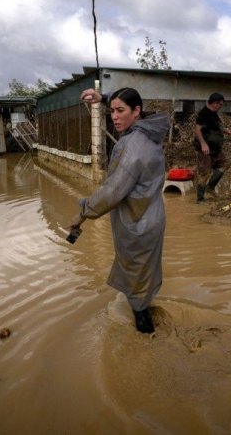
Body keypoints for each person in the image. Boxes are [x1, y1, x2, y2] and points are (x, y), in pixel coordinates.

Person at [69, 87, 170, 334]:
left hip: (138, 225)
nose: (114, 116)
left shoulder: (131, 146)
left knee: (136, 291)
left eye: (120, 110)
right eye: (111, 110)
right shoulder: (150, 133)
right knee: (142, 279)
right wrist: (102, 98)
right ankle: (146, 321)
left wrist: (82, 213)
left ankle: (145, 346)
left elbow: (111, 193)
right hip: (151, 217)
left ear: (137, 112)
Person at [193, 92, 231, 202]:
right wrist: (203, 144)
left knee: (225, 164)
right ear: (214, 103)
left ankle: (210, 187)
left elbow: (215, 127)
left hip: (215, 148)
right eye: (220, 104)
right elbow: (197, 129)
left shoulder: (214, 114)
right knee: (204, 173)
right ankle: (200, 199)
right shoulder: (204, 113)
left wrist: (227, 131)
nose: (220, 106)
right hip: (205, 149)